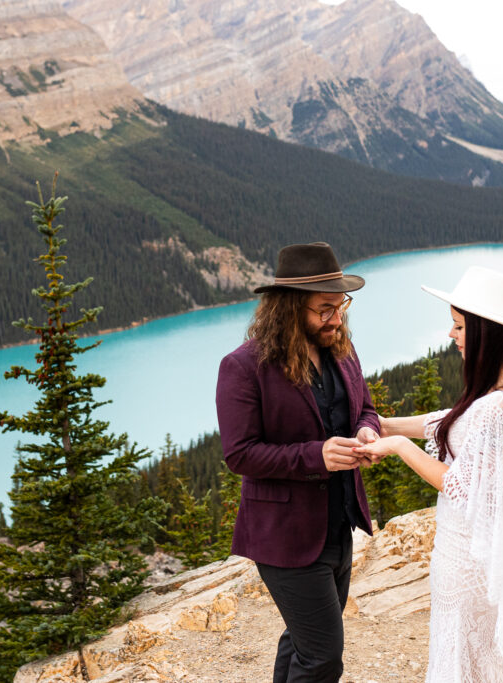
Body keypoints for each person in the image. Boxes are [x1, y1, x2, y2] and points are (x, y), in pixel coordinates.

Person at [353, 265, 503, 682]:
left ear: (487, 332)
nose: (452, 336)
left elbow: (460, 484)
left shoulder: (498, 408)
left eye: (460, 327)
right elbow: (450, 421)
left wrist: (395, 446)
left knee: (461, 660)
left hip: (467, 559)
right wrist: (385, 424)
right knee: (481, 660)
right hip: (475, 557)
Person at [216, 242, 380, 682]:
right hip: (285, 539)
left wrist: (368, 431)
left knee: (303, 640)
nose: (336, 318)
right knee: (323, 655)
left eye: (340, 305)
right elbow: (239, 452)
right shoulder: (243, 367)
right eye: (324, 310)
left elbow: (365, 408)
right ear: (289, 308)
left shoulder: (340, 349)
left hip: (338, 525)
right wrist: (317, 455)